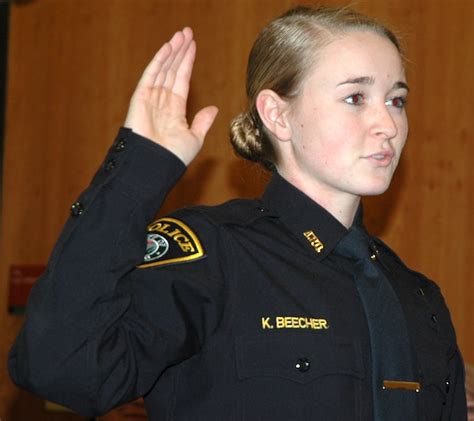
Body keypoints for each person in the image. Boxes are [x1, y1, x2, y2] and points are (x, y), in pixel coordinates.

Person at [8, 5, 467, 420]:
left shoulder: (418, 297)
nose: (388, 125)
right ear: (277, 115)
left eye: (397, 100)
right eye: (355, 98)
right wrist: (137, 171)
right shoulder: (213, 255)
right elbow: (61, 369)